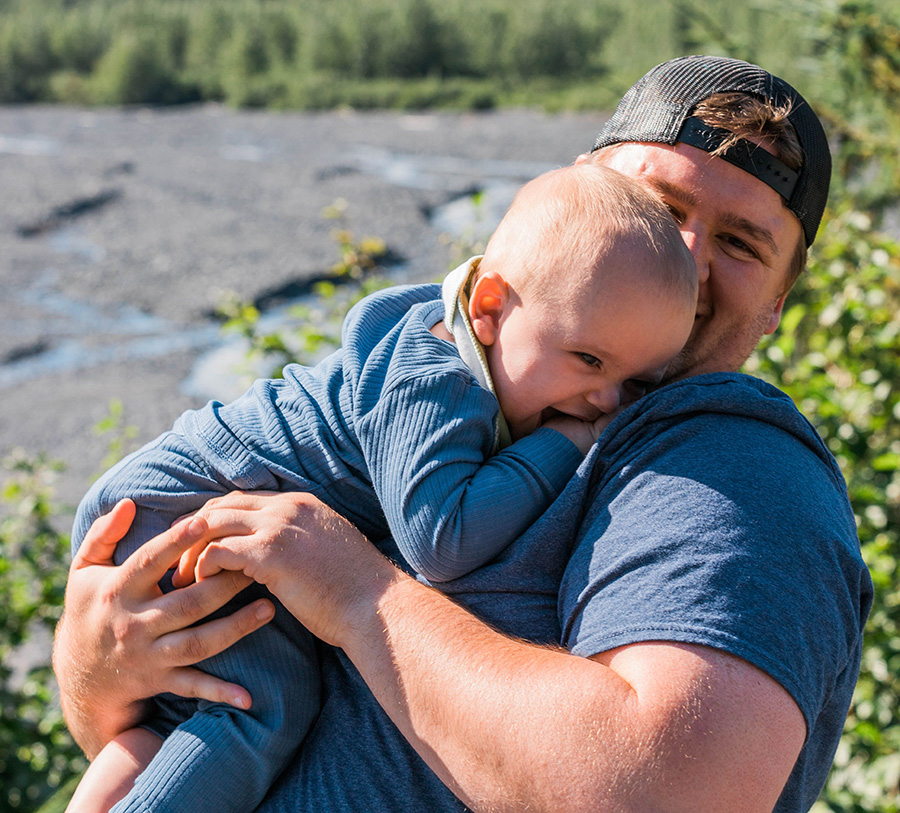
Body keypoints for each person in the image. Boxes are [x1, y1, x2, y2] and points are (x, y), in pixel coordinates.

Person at [54, 55, 873, 813]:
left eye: (739, 244)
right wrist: (96, 671)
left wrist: (353, 588)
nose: (687, 259)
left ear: (776, 307)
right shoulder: (480, 375)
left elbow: (667, 792)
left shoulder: (737, 468)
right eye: (660, 208)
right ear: (575, 197)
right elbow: (187, 713)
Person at [63, 163, 698, 813]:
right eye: (590, 360)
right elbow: (442, 537)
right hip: (185, 506)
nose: (605, 399)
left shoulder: (489, 356)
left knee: (185, 720)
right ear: (488, 308)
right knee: (262, 709)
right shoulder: (437, 376)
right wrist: (567, 441)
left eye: (636, 384)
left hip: (180, 503)